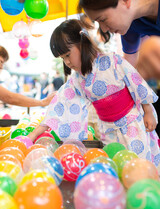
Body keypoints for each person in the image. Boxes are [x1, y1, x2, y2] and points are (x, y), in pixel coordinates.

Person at [28, 19, 160, 168]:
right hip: (108, 130)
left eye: (67, 55)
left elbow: (136, 82)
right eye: (62, 58)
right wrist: (33, 135)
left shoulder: (112, 61)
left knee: (139, 165)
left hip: (133, 123)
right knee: (116, 167)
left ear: (82, 43)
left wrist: (148, 110)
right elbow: (59, 106)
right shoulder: (77, 80)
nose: (66, 62)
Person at [78, 0, 160, 81]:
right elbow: (129, 65)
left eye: (102, 19)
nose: (104, 30)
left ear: (125, 1)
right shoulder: (130, 22)